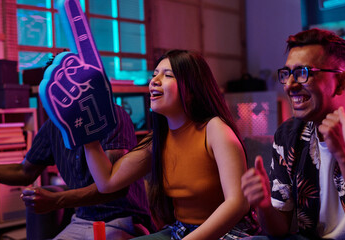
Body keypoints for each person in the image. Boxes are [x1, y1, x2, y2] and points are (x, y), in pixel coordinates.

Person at [83, 49, 261, 239]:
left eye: (167, 75)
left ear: (192, 90)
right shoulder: (158, 140)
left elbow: (237, 203)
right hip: (181, 231)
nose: (154, 81)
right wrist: (86, 135)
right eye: (154, 75)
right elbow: (107, 183)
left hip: (228, 232)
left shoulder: (215, 129)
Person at [0, 77, 153, 238]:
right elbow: (25, 171)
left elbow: (113, 187)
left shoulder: (112, 116)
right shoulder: (53, 126)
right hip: (82, 220)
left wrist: (57, 200)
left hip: (123, 220)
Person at [241, 28, 345, 240]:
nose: (290, 85)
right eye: (287, 74)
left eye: (304, 73)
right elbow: (278, 229)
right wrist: (263, 203)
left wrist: (344, 157)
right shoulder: (288, 136)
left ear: (340, 82)